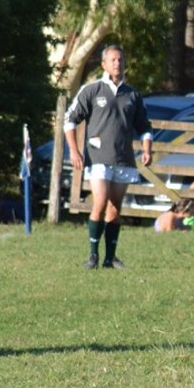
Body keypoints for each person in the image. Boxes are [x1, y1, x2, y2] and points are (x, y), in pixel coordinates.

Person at [64, 44, 154, 269]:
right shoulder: (92, 90)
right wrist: (74, 150)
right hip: (98, 157)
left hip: (123, 158)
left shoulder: (132, 94)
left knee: (115, 208)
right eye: (113, 60)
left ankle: (109, 258)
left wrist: (147, 148)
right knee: (101, 202)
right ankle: (93, 255)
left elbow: (144, 127)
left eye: (120, 60)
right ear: (104, 64)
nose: (117, 63)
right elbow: (69, 120)